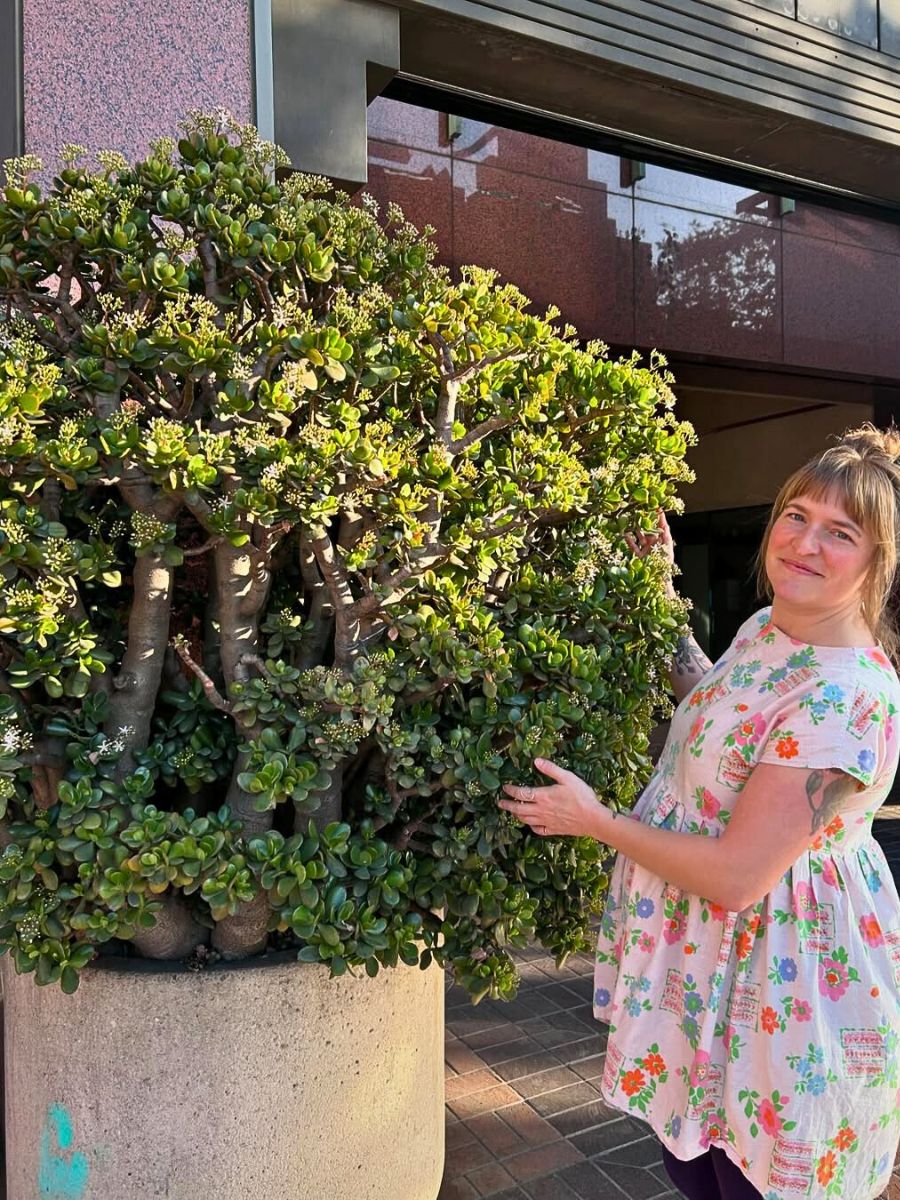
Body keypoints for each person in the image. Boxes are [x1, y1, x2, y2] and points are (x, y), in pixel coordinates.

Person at [498, 425, 900, 1200]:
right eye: (796, 516)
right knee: (697, 1168)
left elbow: (739, 876)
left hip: (782, 988)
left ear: (877, 561)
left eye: (840, 532)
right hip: (714, 974)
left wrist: (596, 819)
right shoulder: (769, 631)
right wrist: (658, 590)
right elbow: (721, 705)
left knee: (751, 1179)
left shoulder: (845, 697)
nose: (805, 543)